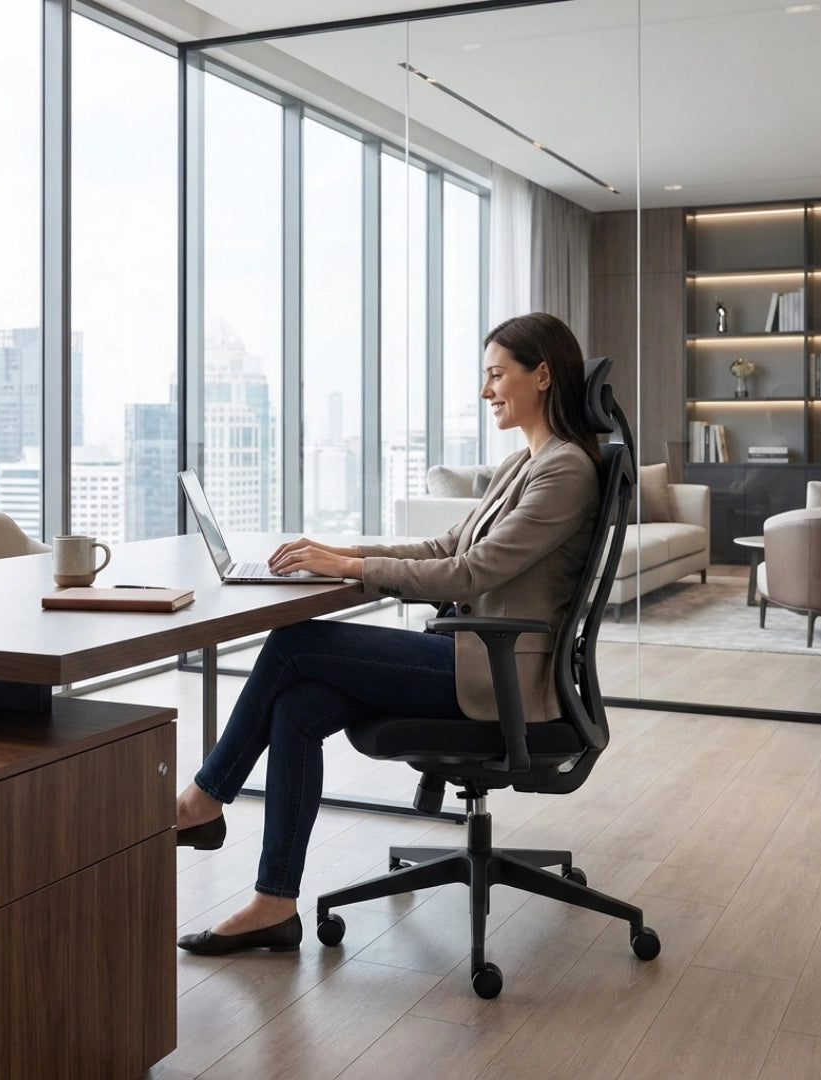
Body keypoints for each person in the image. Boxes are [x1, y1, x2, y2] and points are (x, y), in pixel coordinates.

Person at [175, 311, 603, 956]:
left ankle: (203, 800)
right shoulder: (525, 462)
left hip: (501, 672)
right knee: (297, 707)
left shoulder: (564, 471)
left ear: (541, 375)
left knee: (294, 644)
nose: (486, 390)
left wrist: (350, 569)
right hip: (467, 650)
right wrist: (340, 549)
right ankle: (274, 904)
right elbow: (443, 543)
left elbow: (471, 570)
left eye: (496, 375)